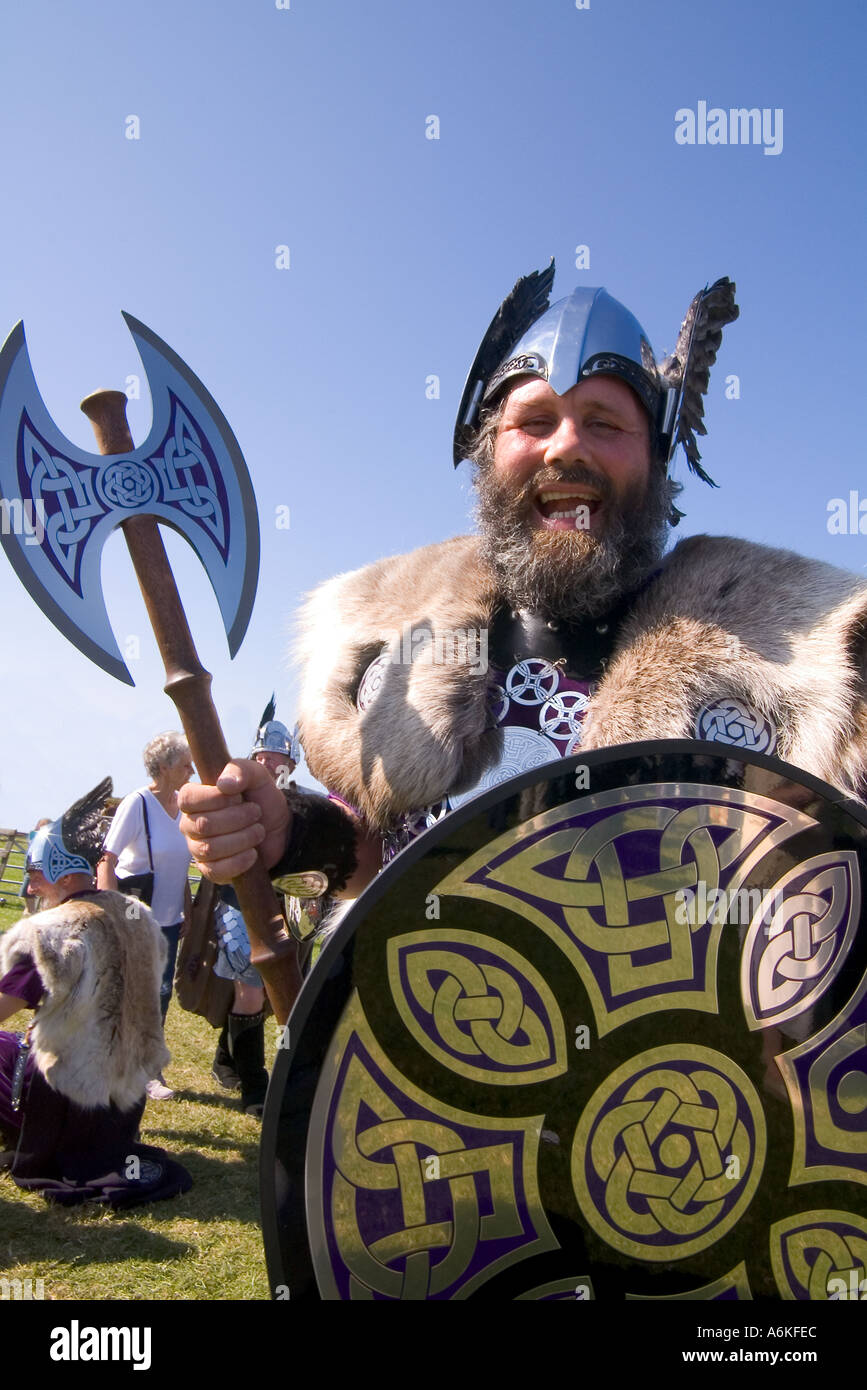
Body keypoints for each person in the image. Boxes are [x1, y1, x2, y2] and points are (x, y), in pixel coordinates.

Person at [177, 264, 867, 934]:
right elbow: (366, 867)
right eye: (533, 421)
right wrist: (282, 839)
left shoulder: (813, 654)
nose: (565, 447)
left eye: (604, 423)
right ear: (487, 454)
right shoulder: (391, 640)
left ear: (656, 458)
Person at [0, 780, 192, 1207]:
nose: (30, 888)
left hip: (67, 1102)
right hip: (124, 1105)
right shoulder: (137, 917)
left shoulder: (52, 931)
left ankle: (39, 1138)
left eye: (34, 874)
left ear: (64, 874)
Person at [210, 698, 301, 1115]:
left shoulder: (302, 804)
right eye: (262, 753)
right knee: (248, 988)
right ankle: (255, 1089)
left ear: (290, 762)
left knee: (269, 993)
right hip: (237, 902)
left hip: (288, 911)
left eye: (275, 754)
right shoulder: (233, 797)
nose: (267, 759)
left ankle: (226, 1058)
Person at [98, 732, 194, 1100]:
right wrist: (112, 912)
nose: (193, 769)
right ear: (166, 766)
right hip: (136, 917)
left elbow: (181, 863)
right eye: (186, 763)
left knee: (161, 993)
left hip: (169, 920)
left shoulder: (184, 806)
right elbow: (108, 857)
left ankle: (147, 1068)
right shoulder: (137, 804)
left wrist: (185, 906)